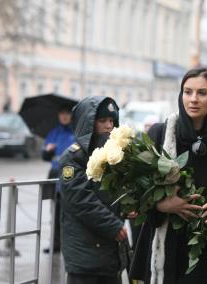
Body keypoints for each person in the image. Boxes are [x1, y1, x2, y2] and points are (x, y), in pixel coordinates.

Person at [129, 67, 207, 283]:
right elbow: (133, 189)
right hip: (168, 252)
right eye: (188, 92)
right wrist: (161, 205)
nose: (193, 99)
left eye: (202, 93)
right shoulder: (159, 135)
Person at [59, 96, 129, 284]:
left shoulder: (112, 155)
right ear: (88, 123)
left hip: (109, 251)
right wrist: (113, 225)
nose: (108, 126)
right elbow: (80, 200)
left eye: (112, 121)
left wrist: (127, 207)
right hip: (85, 255)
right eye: (102, 121)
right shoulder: (73, 158)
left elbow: (114, 193)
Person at [41, 105, 75, 253]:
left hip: (70, 173)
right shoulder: (53, 132)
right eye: (62, 113)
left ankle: (69, 244)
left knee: (69, 211)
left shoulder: (76, 132)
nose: (64, 116)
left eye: (67, 113)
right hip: (54, 173)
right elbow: (44, 156)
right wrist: (48, 151)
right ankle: (56, 243)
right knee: (55, 210)